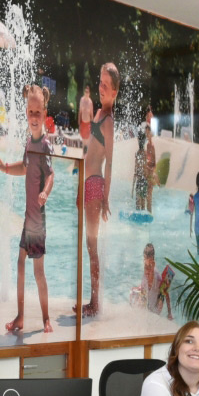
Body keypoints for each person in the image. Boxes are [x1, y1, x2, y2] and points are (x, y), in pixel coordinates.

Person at [0, 85, 53, 336]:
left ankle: (47, 319)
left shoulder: (45, 145)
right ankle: (20, 316)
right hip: (28, 221)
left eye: (38, 112)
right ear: (26, 113)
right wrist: (5, 167)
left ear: (44, 112)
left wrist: (45, 193)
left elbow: (50, 175)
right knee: (19, 264)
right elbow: (25, 168)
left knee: (38, 272)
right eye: (31, 112)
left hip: (37, 220)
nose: (34, 117)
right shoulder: (29, 142)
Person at [76, 63, 117, 318]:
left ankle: (94, 302)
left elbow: (109, 161)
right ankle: (92, 300)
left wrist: (106, 197)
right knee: (88, 243)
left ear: (114, 92)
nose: (101, 88)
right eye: (100, 83)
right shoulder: (99, 113)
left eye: (106, 86)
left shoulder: (109, 121)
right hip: (87, 183)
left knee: (92, 245)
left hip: (95, 185)